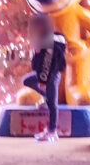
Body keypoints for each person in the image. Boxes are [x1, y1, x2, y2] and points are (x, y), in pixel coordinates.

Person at [22, 13, 65, 142]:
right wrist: (36, 52)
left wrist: (43, 80)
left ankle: (52, 131)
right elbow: (38, 63)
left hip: (51, 74)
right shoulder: (44, 39)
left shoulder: (51, 39)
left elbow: (48, 62)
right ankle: (47, 96)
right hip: (46, 74)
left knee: (52, 104)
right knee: (27, 81)